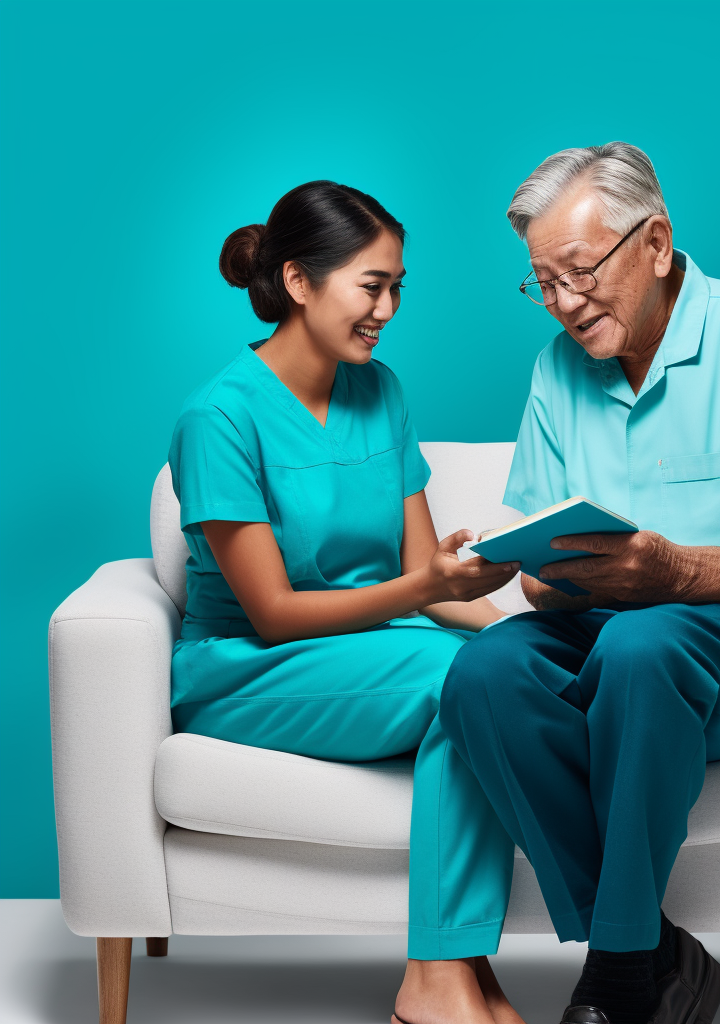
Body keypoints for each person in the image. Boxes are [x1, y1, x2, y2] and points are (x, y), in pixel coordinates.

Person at [438, 144, 720, 1024]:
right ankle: (656, 948)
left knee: (644, 641)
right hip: (605, 633)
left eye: (579, 271)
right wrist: (522, 563)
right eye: (543, 283)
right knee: (484, 672)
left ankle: (619, 975)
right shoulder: (554, 372)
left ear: (655, 241)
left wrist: (678, 571)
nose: (564, 304)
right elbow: (544, 596)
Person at [168, 181, 525, 1024]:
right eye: (373, 285)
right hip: (248, 669)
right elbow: (273, 613)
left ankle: (459, 972)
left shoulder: (382, 392)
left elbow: (424, 579)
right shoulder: (218, 418)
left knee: (503, 669)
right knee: (462, 683)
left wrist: (520, 627)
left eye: (399, 286)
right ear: (299, 282)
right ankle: (438, 978)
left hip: (380, 645)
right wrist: (427, 588)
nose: (389, 308)